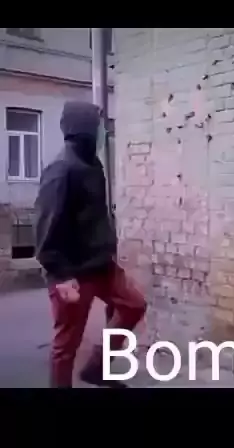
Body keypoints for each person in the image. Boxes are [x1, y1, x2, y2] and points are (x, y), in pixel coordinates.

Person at [34, 101, 146, 388]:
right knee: (66, 344)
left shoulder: (93, 165)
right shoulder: (61, 170)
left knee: (134, 305)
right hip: (71, 273)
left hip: (101, 265)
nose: (101, 132)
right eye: (97, 127)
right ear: (82, 129)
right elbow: (45, 229)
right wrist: (61, 275)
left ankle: (97, 368)